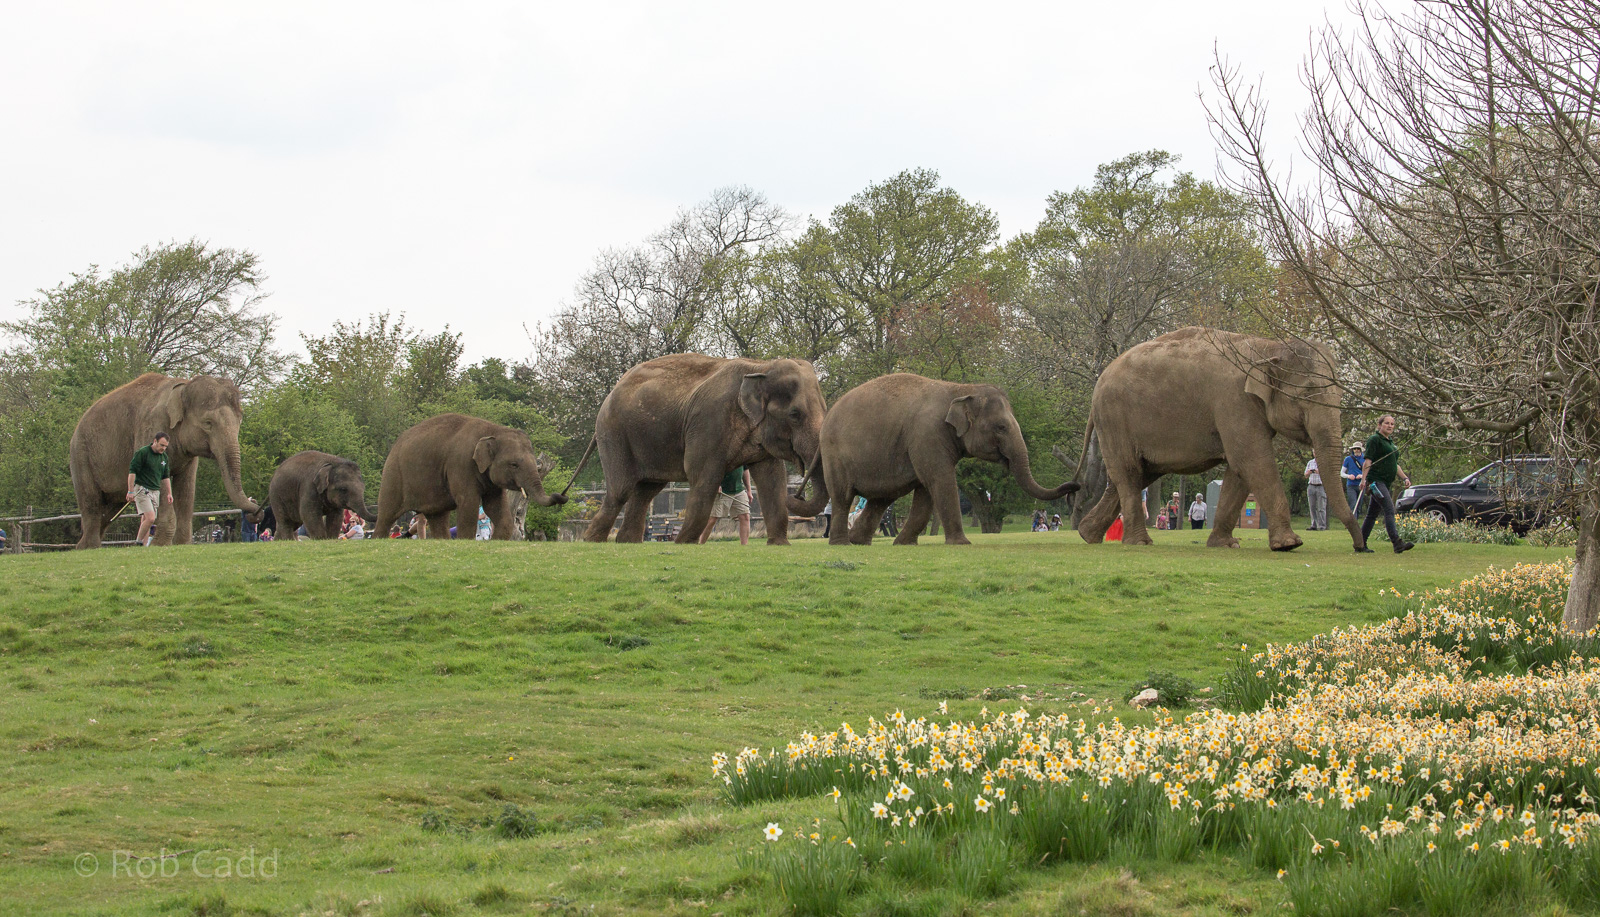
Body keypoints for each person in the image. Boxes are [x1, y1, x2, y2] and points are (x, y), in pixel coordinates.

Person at [1357, 415, 1415, 554]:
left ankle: (1360, 543)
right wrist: (1363, 480)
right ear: (1379, 425)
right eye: (1387, 423)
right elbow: (1368, 461)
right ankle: (1397, 543)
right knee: (1389, 509)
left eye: (1392, 424)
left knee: (1372, 514)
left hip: (1385, 482)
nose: (1390, 426)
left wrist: (1404, 478)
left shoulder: (1391, 443)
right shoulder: (1375, 439)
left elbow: (1395, 465)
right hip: (1376, 482)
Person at [126, 432, 173, 547]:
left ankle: (144, 545)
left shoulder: (164, 457)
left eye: (165, 446)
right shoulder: (143, 453)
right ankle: (138, 542)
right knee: (151, 518)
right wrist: (130, 491)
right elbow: (132, 472)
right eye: (162, 445)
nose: (163, 448)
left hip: (155, 491)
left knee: (146, 519)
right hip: (142, 489)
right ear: (155, 441)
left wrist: (169, 493)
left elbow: (165, 476)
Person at [699, 466, 753, 545]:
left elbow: (745, 470)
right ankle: (700, 544)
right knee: (712, 519)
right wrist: (715, 484)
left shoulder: (742, 455)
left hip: (739, 490)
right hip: (722, 491)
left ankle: (744, 547)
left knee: (745, 517)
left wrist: (749, 490)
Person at [1303, 457, 1327, 531]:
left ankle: (1322, 526)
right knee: (1312, 507)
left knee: (1321, 507)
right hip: (1311, 486)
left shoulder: (1324, 462)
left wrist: (1318, 471)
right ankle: (1314, 525)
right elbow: (1305, 475)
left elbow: (1327, 474)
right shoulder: (1310, 462)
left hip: (1321, 486)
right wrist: (1309, 472)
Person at [1341, 444, 1365, 512]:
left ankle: (1356, 521)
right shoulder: (1348, 459)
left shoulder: (1365, 459)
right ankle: (1353, 521)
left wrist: (1361, 476)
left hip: (1361, 485)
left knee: (1359, 507)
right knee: (1353, 505)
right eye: (1355, 449)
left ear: (1361, 450)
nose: (1356, 450)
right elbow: (1342, 473)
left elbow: (1369, 473)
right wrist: (1348, 476)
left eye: (1358, 448)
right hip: (1351, 485)